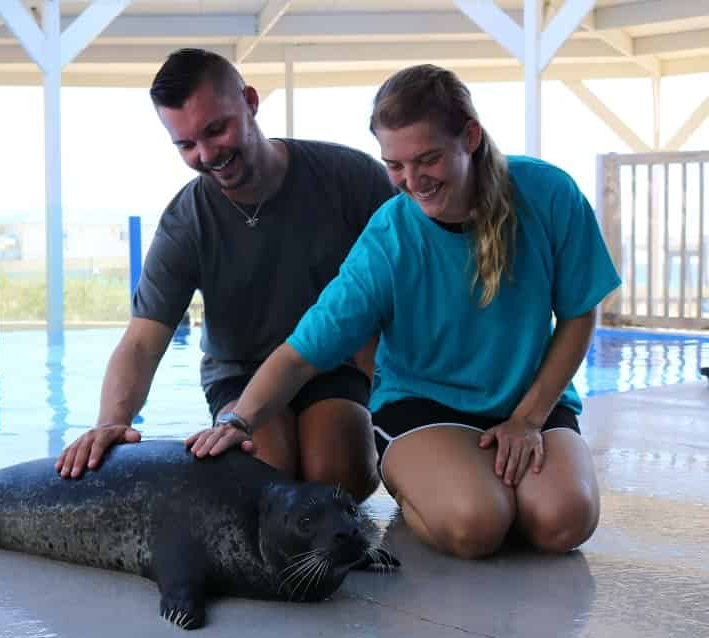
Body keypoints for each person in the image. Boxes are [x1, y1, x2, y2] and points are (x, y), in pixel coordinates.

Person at [186, 64, 621, 559]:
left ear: (470, 137)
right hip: (425, 406)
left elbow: (579, 314)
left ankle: (474, 486)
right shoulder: (389, 238)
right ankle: (426, 487)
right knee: (476, 526)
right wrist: (236, 423)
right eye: (394, 165)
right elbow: (302, 354)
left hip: (530, 400)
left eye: (428, 159)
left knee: (565, 522)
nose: (412, 181)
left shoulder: (548, 194)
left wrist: (527, 419)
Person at [55, 48, 396, 502]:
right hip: (241, 376)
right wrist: (111, 423)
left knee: (335, 481)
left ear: (250, 102)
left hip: (334, 367)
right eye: (187, 144)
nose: (207, 154)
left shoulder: (350, 178)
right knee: (262, 480)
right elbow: (142, 340)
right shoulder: (187, 220)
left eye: (217, 129)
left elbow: (415, 283)